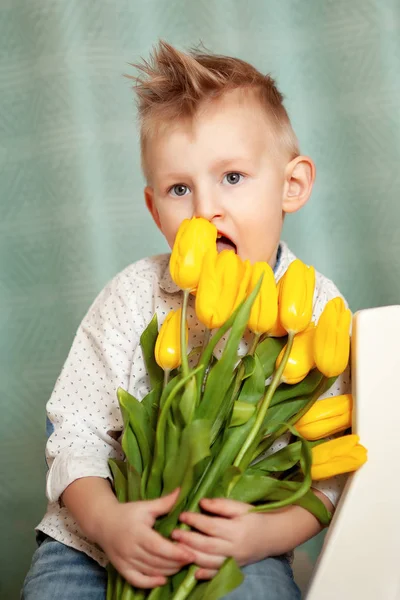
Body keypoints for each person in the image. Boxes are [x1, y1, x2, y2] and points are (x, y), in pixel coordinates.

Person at [22, 41, 350, 600]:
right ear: (154, 209)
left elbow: (329, 474)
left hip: (234, 545)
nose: (205, 210)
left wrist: (264, 533)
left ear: (290, 186)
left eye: (233, 177)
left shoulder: (317, 310)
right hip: (94, 544)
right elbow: (74, 429)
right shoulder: (133, 295)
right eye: (180, 189)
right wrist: (105, 522)